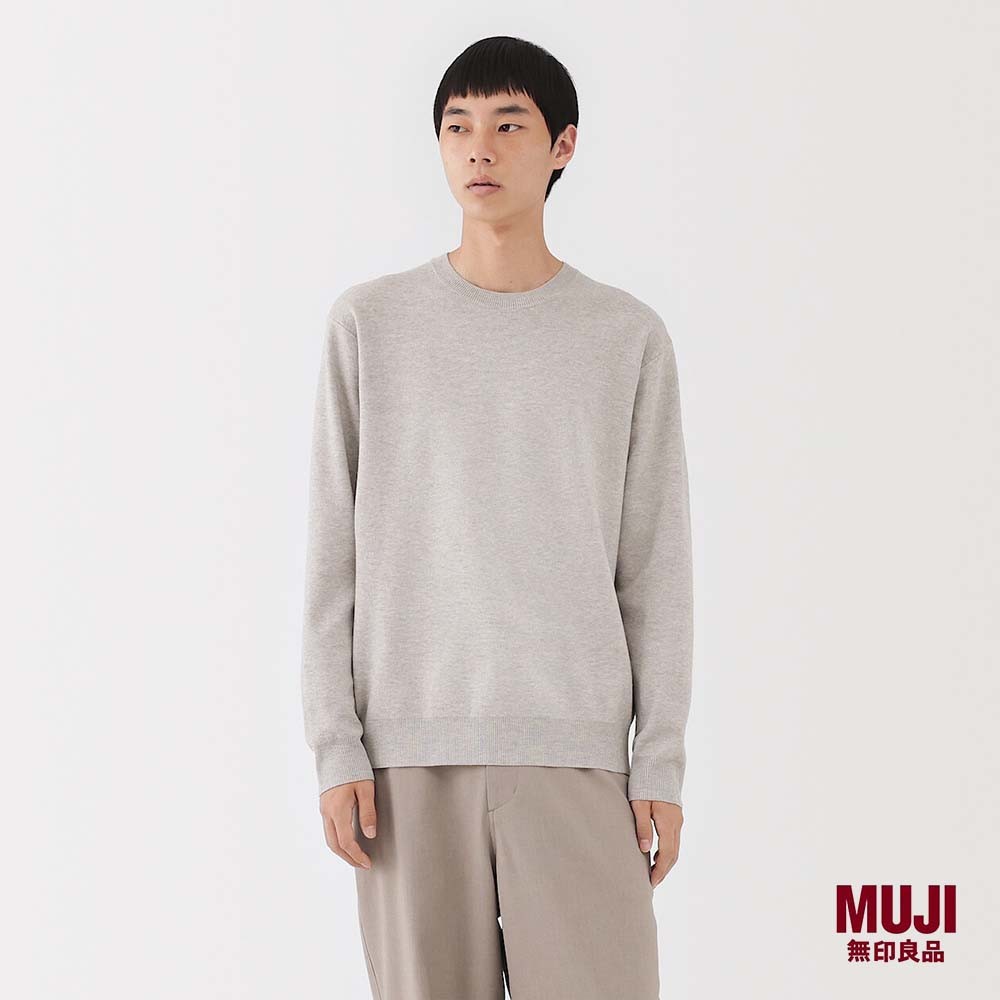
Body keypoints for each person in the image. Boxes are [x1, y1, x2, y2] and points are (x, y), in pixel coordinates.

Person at [300, 34, 694, 1000]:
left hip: (578, 755)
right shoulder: (370, 325)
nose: (478, 147)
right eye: (457, 126)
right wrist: (335, 745)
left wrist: (660, 763)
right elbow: (331, 556)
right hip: (405, 760)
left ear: (562, 145)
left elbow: (655, 566)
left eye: (508, 124)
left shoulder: (625, 337)